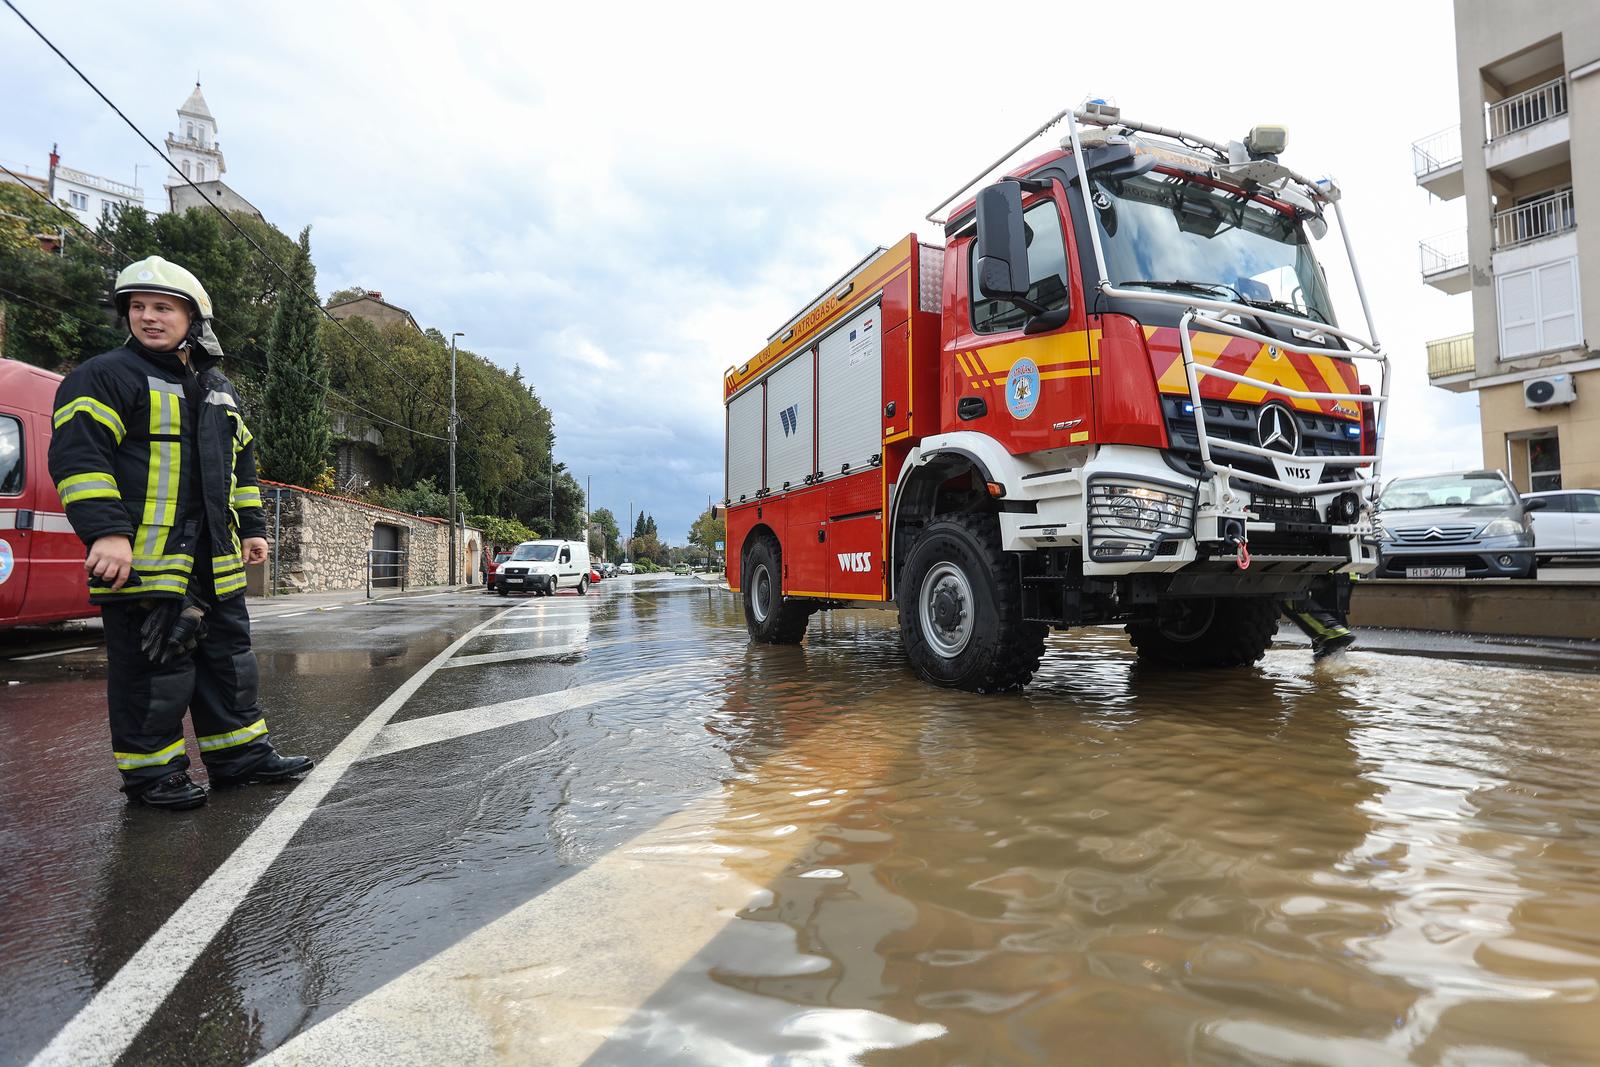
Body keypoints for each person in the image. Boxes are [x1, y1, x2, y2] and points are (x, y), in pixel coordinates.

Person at [49, 256, 313, 811]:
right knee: (153, 671)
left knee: (228, 662)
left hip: (213, 560)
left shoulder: (217, 388)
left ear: (192, 319)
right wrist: (107, 535)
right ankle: (153, 778)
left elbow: (241, 467)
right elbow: (79, 460)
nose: (148, 317)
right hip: (143, 561)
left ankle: (240, 759)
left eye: (162, 308)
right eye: (138, 307)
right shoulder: (103, 376)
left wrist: (255, 529)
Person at [1281, 574, 1357, 661]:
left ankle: (1328, 661)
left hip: (1326, 574)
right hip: (1346, 573)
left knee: (1333, 630)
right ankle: (1336, 664)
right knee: (1337, 619)